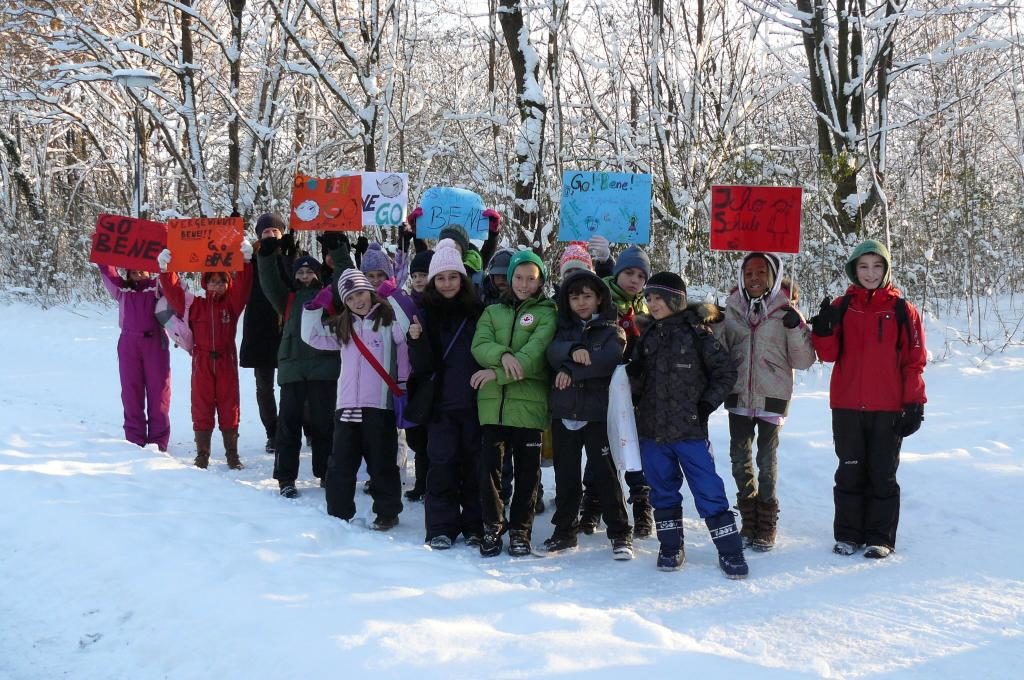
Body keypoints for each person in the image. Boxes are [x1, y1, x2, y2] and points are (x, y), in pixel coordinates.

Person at [809, 239, 927, 559]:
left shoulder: (903, 310)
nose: (870, 273)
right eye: (863, 266)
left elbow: (914, 361)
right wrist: (822, 329)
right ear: (853, 270)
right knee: (849, 471)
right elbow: (829, 354)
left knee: (882, 473)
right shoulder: (841, 306)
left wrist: (914, 403)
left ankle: (880, 537)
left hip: (888, 408)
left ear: (886, 269)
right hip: (846, 405)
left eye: (877, 266)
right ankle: (847, 534)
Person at [626, 272, 748, 578]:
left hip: (690, 431)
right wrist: (634, 374)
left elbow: (725, 373)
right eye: (649, 298)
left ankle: (730, 550)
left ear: (675, 300)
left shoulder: (698, 334)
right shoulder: (648, 337)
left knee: (708, 489)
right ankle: (670, 545)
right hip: (653, 431)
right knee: (662, 489)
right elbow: (637, 383)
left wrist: (706, 405)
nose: (652, 304)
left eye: (658, 298)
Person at [721, 252, 816, 551]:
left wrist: (796, 327)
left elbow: (803, 360)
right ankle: (748, 519)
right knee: (739, 459)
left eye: (761, 273)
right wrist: (710, 324)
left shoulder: (785, 310)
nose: (754, 279)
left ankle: (767, 522)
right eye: (749, 273)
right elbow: (719, 351)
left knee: (766, 460)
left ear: (772, 277)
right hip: (737, 393)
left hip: (773, 393)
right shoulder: (731, 310)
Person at [300, 268, 408, 530]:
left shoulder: (387, 323)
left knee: (382, 463)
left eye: (361, 293)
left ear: (371, 292)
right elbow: (311, 336)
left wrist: (392, 295)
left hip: (378, 406)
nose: (357, 301)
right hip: (347, 407)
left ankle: (387, 512)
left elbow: (405, 330)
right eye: (350, 298)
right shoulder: (343, 327)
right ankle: (338, 513)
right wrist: (313, 309)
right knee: (340, 465)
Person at [471, 249, 557, 557]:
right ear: (509, 278)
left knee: (527, 475)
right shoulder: (492, 312)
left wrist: (494, 373)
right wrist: (503, 356)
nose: (523, 284)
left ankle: (521, 530)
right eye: (518, 277)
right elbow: (479, 344)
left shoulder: (548, 312)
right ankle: (492, 527)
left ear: (540, 281)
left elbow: (533, 356)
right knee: (490, 473)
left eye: (530, 279)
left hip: (530, 407)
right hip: (493, 408)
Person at [544, 269, 633, 559]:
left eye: (587, 296)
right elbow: (550, 351)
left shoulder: (612, 329)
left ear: (599, 299)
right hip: (565, 411)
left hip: (596, 414)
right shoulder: (561, 328)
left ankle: (620, 533)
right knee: (566, 475)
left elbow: (607, 361)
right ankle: (565, 531)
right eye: (574, 297)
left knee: (605, 475)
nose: (581, 302)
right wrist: (572, 351)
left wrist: (570, 369)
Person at [259, 230, 349, 497]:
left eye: (310, 272)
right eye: (300, 272)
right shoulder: (286, 299)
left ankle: (326, 472)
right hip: (292, 369)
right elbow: (268, 280)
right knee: (288, 425)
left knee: (324, 425)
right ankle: (286, 478)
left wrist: (338, 250)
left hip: (324, 368)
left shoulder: (330, 296)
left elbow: (346, 277)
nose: (305, 276)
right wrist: (267, 254)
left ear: (318, 274)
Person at [407, 240, 485, 548]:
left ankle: (476, 525)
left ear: (462, 279)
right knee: (441, 466)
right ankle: (440, 526)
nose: (447, 283)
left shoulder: (479, 312)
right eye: (441, 278)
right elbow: (423, 366)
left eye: (453, 277)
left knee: (476, 468)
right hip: (440, 407)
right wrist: (416, 340)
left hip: (476, 403)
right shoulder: (424, 314)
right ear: (433, 281)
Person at [157, 243, 253, 470]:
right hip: (202, 361)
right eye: (212, 281)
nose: (216, 286)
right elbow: (173, 292)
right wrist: (165, 268)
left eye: (221, 282)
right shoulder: (194, 305)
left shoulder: (232, 304)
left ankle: (232, 453)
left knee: (230, 404)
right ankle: (202, 453)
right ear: (205, 283)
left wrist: (246, 262)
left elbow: (243, 286)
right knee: (202, 404)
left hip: (226, 360)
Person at [581, 245, 655, 538]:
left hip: (637, 391)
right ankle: (592, 504)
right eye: (628, 272)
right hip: (604, 387)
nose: (634, 279)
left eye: (640, 275)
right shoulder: (603, 300)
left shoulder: (647, 306)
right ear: (616, 272)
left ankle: (641, 504)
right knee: (602, 449)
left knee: (635, 448)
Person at [97, 265, 171, 451]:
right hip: (129, 343)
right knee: (131, 391)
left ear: (149, 271)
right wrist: (102, 250)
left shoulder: (156, 286)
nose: (138, 275)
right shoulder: (122, 290)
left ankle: (158, 440)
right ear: (128, 274)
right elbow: (109, 273)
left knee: (159, 391)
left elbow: (173, 285)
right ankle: (134, 438)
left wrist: (166, 264)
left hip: (154, 342)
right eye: (134, 272)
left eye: (141, 272)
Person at [240, 213, 289, 454]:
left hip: (286, 327)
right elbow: (234, 276)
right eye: (266, 231)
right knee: (264, 386)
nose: (271, 235)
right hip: (259, 328)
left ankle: (305, 429)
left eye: (275, 231)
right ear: (259, 235)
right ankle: (273, 432)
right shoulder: (250, 259)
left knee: (293, 384)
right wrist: (230, 235)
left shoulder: (292, 255)